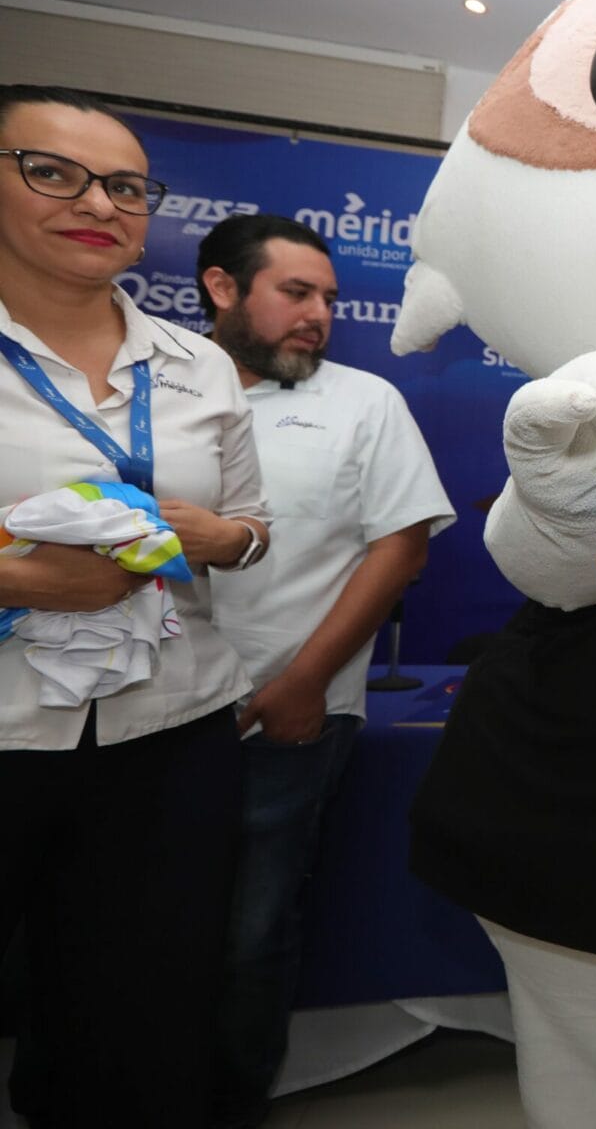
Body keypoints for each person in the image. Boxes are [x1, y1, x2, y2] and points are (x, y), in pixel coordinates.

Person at [0, 84, 270, 1127]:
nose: (96, 204)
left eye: (124, 187)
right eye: (52, 172)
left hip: (170, 725)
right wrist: (24, 578)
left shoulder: (198, 364)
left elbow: (251, 524)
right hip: (8, 721)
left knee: (145, 1007)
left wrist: (225, 539)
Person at [193, 213, 455, 1129]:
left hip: (284, 719)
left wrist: (305, 684)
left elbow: (402, 546)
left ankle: (230, 1104)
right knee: (122, 920)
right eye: (296, 293)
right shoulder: (154, 387)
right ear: (222, 289)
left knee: (252, 932)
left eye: (330, 299)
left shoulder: (363, 401)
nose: (319, 316)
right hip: (143, 714)